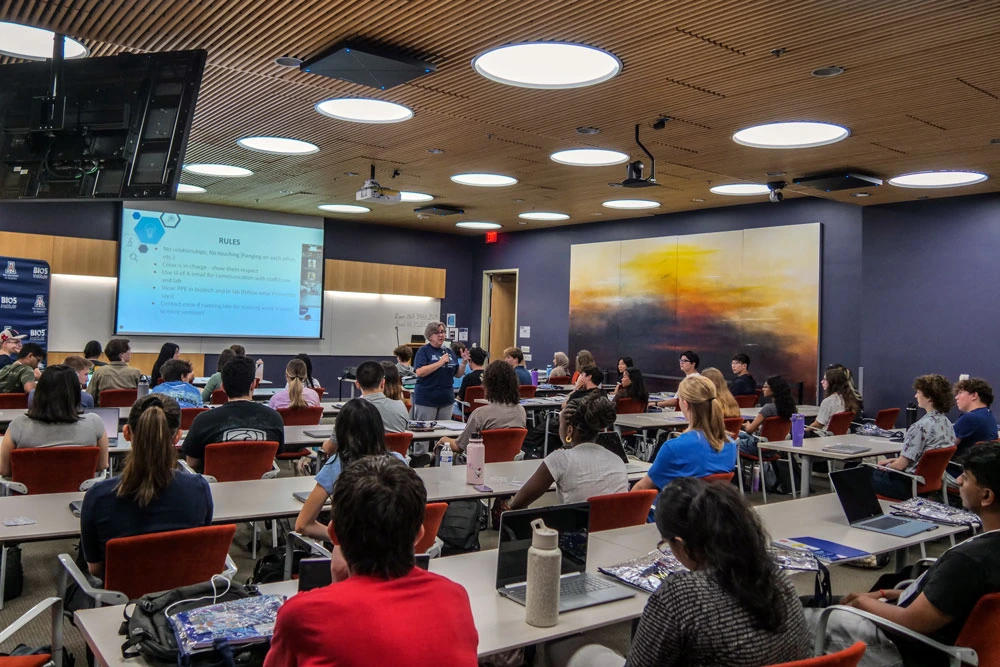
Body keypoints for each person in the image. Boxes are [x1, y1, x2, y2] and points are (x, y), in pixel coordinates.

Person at [550, 477, 811, 667]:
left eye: (667, 544)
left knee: (563, 644)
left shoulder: (682, 594)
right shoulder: (774, 575)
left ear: (682, 545)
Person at [269, 456, 478, 667]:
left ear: (333, 535)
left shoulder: (302, 616)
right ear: (419, 535)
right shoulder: (454, 597)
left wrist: (335, 591)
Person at [808, 443, 1000, 667]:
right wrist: (885, 593)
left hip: (905, 646)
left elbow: (913, 621)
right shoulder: (985, 550)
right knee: (812, 600)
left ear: (986, 496)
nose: (958, 481)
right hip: (937, 632)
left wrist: (862, 602)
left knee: (792, 619)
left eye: (966, 478)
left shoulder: (967, 561)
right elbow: (944, 597)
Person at [79, 395, 212, 579]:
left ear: (126, 433)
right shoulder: (199, 489)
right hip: (182, 594)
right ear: (177, 437)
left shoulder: (98, 497)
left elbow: (96, 569)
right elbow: (199, 547)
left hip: (123, 600)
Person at [293, 399, 406, 540]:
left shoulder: (337, 465)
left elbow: (302, 525)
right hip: (394, 551)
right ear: (379, 428)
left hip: (352, 554)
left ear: (340, 431)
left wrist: (343, 539)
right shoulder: (399, 461)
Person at [507, 393, 627, 508]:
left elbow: (519, 503)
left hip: (580, 527)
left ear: (570, 430)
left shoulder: (560, 459)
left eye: (560, 423)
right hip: (615, 527)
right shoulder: (617, 460)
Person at [632, 374, 736, 493]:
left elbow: (643, 487)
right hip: (710, 509)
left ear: (685, 404)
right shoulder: (731, 446)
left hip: (673, 509)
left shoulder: (673, 448)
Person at [1, 365, 109, 477]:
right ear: (76, 394)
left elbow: (4, 470)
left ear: (39, 392)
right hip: (80, 492)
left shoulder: (18, 425)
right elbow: (102, 465)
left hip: (28, 492)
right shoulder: (95, 423)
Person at [181, 356, 285, 472]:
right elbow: (276, 453)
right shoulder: (274, 418)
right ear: (253, 385)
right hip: (260, 486)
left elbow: (192, 463)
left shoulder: (203, 420)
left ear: (223, 388)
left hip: (214, 487)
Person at [870, 374, 955, 499]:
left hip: (907, 485)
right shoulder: (947, 423)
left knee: (858, 473)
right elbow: (922, 459)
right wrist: (891, 461)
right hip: (929, 483)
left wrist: (885, 466)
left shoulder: (919, 427)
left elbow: (900, 466)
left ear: (929, 398)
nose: (916, 396)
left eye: (918, 392)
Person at [439, 360, 526, 453]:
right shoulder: (521, 411)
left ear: (487, 385)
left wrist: (443, 440)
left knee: (444, 446)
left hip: (479, 463)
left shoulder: (480, 414)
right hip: (510, 463)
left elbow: (459, 446)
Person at [739, 376, 798, 458]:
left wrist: (748, 424)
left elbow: (749, 430)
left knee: (728, 440)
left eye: (765, 386)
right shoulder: (791, 409)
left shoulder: (768, 408)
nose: (763, 389)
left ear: (774, 389)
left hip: (757, 447)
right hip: (774, 449)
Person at [411, 321, 456, 421]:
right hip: (427, 399)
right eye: (437, 332)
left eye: (443, 332)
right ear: (429, 336)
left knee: (444, 432)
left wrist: (464, 363)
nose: (441, 335)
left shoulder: (449, 351)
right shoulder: (423, 351)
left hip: (446, 399)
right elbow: (420, 372)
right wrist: (440, 363)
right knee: (426, 433)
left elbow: (457, 374)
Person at [353, 360, 408, 432]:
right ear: (382, 383)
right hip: (394, 443)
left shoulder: (350, 410)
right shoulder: (400, 406)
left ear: (357, 384)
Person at [952, 377, 997, 461]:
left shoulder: (969, 418)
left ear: (974, 395)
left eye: (960, 393)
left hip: (957, 470)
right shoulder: (989, 416)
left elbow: (944, 447)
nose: (956, 397)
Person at [806, 367, 860, 434]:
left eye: (825, 379)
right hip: (842, 435)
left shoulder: (828, 401)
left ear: (832, 383)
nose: (822, 381)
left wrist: (805, 430)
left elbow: (818, 425)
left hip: (825, 435)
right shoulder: (847, 398)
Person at [86, 338, 141, 404]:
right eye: (129, 350)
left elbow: (89, 396)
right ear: (121, 355)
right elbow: (142, 398)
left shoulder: (99, 372)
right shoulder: (136, 373)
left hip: (104, 412)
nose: (131, 352)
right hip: (129, 412)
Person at [29, 355, 95, 409]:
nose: (87, 379)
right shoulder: (86, 399)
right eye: (86, 374)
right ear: (74, 374)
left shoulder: (33, 395)